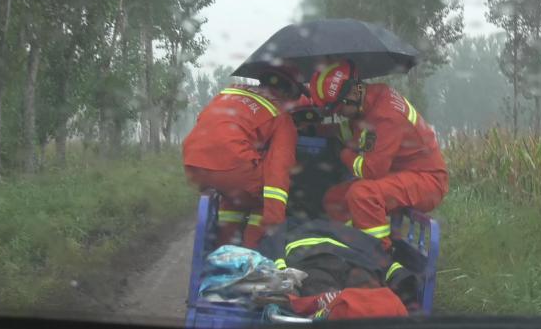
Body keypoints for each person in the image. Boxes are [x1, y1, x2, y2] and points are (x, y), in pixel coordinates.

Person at [309, 60, 448, 250]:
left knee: (363, 195)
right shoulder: (370, 101)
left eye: (340, 109)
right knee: (335, 198)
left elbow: (371, 170)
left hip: (427, 180)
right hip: (400, 172)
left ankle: (378, 259)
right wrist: (314, 129)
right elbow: (352, 132)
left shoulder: (385, 116)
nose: (340, 114)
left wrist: (343, 153)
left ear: (354, 92)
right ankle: (348, 247)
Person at [183, 67, 305, 248]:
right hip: (232, 166)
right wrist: (274, 220)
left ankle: (223, 248)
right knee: (264, 197)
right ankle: (253, 253)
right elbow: (279, 166)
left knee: (236, 196)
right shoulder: (280, 115)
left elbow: (209, 124)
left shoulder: (228, 93)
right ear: (287, 92)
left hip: (192, 162)